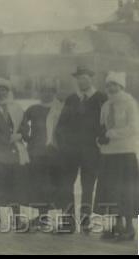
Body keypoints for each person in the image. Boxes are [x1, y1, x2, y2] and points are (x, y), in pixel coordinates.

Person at [55, 66, 108, 234]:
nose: (81, 81)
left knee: (87, 187)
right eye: (78, 78)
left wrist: (101, 141)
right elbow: (61, 125)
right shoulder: (72, 99)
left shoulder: (101, 98)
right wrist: (64, 145)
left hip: (91, 152)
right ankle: (68, 222)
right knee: (66, 185)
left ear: (91, 78)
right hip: (70, 152)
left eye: (84, 77)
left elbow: (106, 124)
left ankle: (85, 222)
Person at [94, 72, 139, 241]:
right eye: (108, 85)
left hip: (125, 152)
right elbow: (102, 126)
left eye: (114, 84)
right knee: (110, 191)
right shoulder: (106, 105)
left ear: (121, 86)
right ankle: (116, 226)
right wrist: (100, 139)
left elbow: (134, 128)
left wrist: (111, 134)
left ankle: (129, 227)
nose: (110, 88)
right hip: (108, 153)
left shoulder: (129, 103)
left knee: (125, 191)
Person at [0, 77, 29, 231]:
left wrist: (20, 135)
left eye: (4, 90)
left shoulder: (16, 108)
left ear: (8, 92)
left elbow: (24, 127)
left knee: (14, 185)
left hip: (13, 152)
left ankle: (16, 218)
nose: (1, 93)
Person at [19, 78, 64, 231]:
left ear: (54, 92)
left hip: (54, 153)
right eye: (43, 90)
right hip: (36, 152)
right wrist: (27, 137)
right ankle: (42, 216)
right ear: (39, 92)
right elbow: (22, 124)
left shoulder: (60, 108)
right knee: (38, 184)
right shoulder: (33, 108)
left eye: (50, 90)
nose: (46, 93)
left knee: (52, 184)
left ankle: (50, 216)